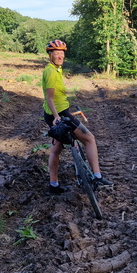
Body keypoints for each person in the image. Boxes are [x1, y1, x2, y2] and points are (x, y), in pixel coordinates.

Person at [42, 39, 113, 194]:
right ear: (50, 55)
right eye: (56, 53)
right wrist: (57, 117)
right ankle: (98, 176)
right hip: (60, 113)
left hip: (53, 113)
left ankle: (53, 185)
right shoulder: (51, 72)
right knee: (89, 139)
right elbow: (50, 97)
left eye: (62, 53)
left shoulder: (54, 69)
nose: (60, 56)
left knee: (56, 148)